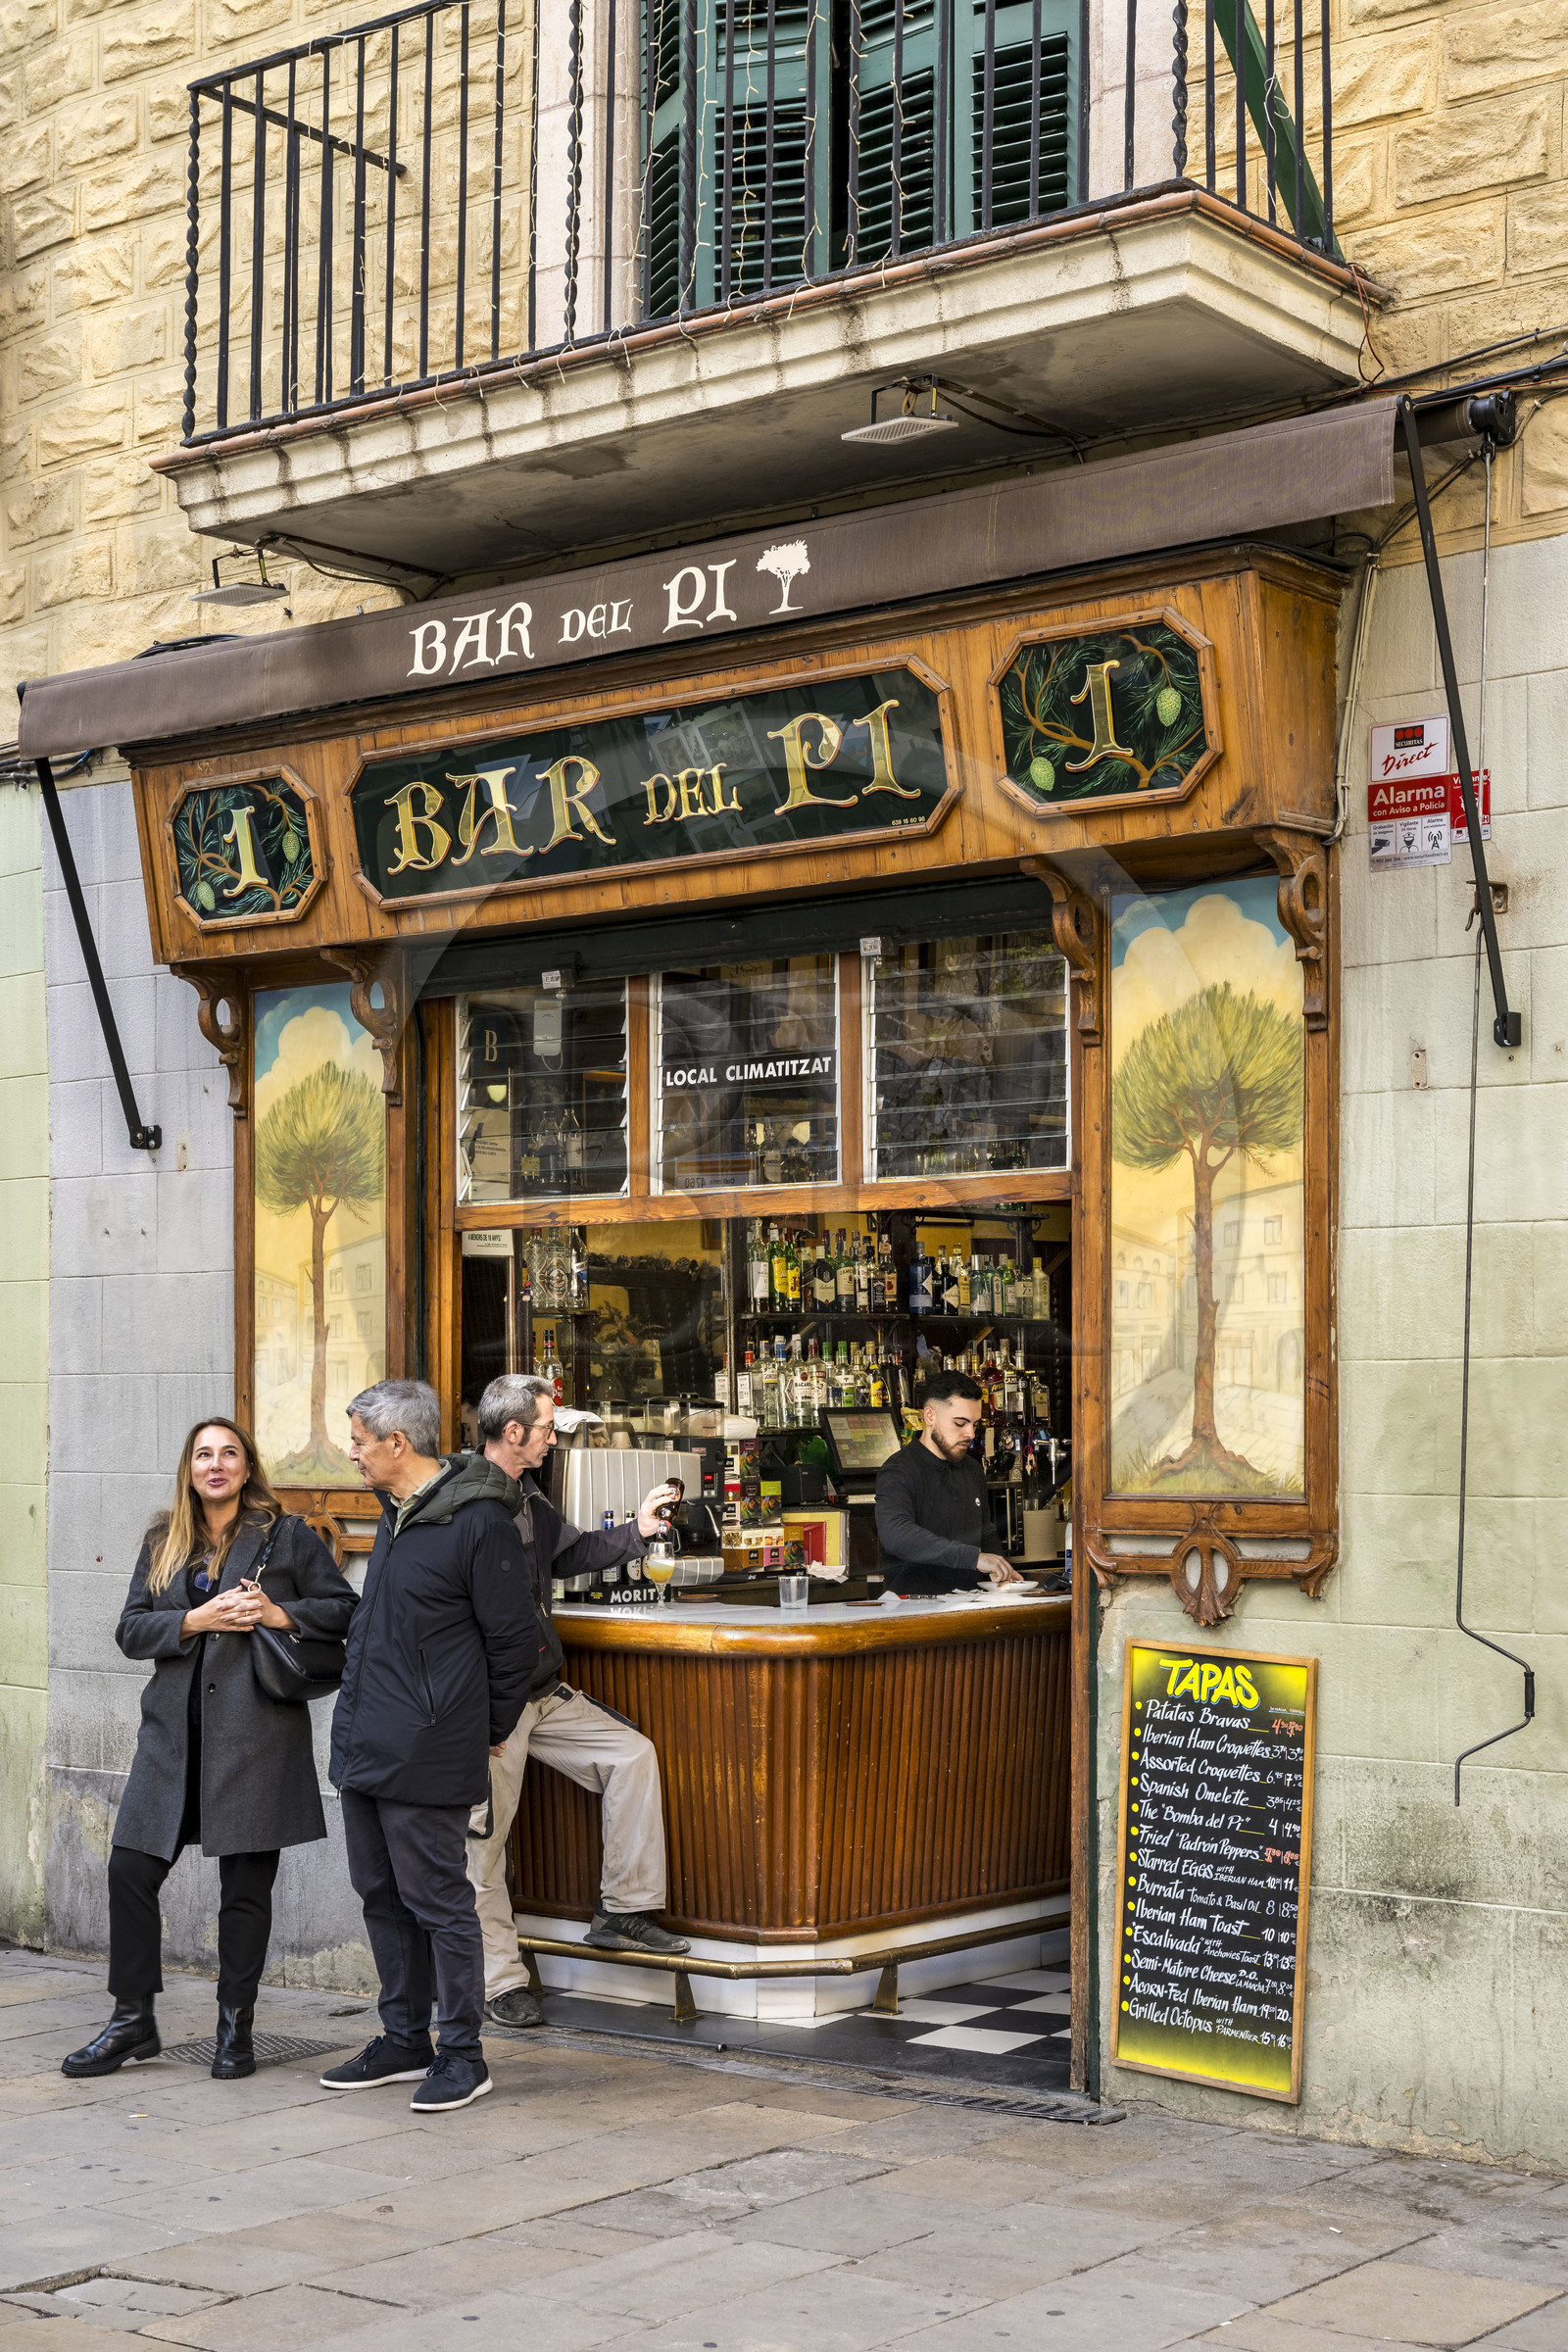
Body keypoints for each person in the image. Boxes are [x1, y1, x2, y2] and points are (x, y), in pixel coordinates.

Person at [61, 1419, 358, 2082]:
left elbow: (345, 1609)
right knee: (130, 1871)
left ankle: (234, 2029)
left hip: (256, 1740)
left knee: (245, 1891)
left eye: (228, 1453)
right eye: (203, 1455)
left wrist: (278, 1613)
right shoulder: (163, 1539)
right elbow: (131, 1631)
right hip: (171, 1742)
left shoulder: (287, 1536)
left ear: (247, 1468)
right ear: (189, 1469)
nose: (215, 1464)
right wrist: (193, 1620)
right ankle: (132, 2020)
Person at [322, 1378, 548, 2114]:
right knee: (381, 1896)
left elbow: (513, 1644)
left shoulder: (477, 1521)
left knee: (439, 1902)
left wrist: (486, 1730)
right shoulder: (397, 1513)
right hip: (368, 1741)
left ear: (397, 1443)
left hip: (430, 1745)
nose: (352, 1453)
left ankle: (462, 2054)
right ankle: (403, 2040)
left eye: (359, 1441)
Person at [466, 1374, 692, 2032]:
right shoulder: (469, 1504)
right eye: (545, 1428)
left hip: (541, 1691)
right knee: (483, 1845)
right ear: (513, 1432)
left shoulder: (527, 1494)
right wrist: (481, 1712)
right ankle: (499, 1982)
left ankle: (622, 1911)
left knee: (632, 1755)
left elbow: (568, 1555)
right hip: (493, 1704)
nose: (552, 1439)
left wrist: (637, 1531)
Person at [875, 1371, 1027, 1595]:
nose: (971, 1433)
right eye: (960, 1423)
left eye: (975, 1424)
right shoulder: (898, 1470)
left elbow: (985, 1532)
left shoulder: (972, 1469)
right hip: (914, 1604)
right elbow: (897, 1535)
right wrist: (974, 1558)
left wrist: (998, 1567)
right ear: (929, 1416)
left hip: (973, 1602)